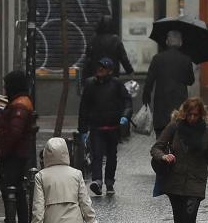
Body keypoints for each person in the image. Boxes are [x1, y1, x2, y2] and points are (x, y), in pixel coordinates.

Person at [0, 69, 39, 223]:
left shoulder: (20, 105)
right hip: (16, 155)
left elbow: (13, 133)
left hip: (13, 156)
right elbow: (9, 125)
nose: (4, 90)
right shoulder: (20, 103)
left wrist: (2, 151)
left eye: (6, 86)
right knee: (17, 190)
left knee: (12, 191)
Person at [77, 57, 131, 196]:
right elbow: (83, 108)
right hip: (97, 127)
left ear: (110, 71)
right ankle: (97, 181)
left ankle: (109, 181)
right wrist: (83, 130)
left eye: (103, 67)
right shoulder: (90, 84)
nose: (100, 69)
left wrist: (125, 115)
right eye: (99, 67)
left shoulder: (116, 84)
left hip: (113, 127)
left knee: (112, 156)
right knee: (97, 155)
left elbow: (127, 101)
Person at [142, 30, 195, 122]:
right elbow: (191, 81)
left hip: (161, 103)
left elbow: (149, 82)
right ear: (180, 43)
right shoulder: (186, 59)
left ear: (167, 42)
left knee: (161, 132)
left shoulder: (157, 58)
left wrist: (146, 101)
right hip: (180, 103)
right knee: (178, 130)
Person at [80, 15, 134, 84]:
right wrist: (130, 71)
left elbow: (88, 60)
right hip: (112, 76)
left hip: (96, 77)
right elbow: (123, 58)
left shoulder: (93, 40)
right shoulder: (116, 40)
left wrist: (84, 79)